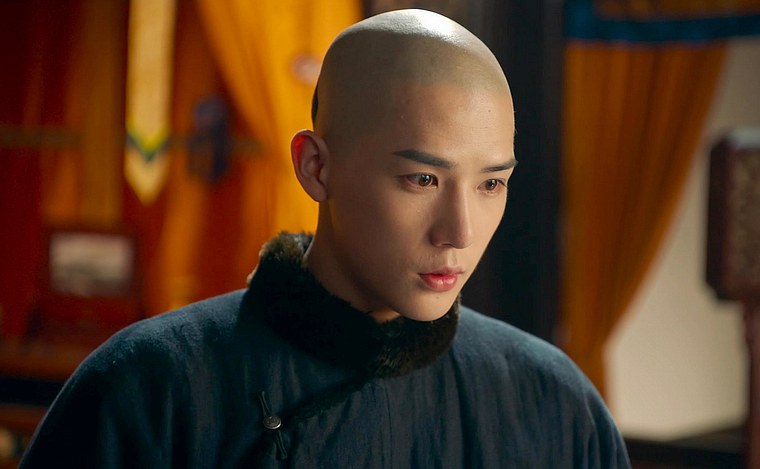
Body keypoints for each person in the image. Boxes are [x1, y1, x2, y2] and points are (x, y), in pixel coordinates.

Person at [21, 9, 630, 468]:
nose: (460, 232)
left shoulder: (554, 403)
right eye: (422, 179)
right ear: (316, 167)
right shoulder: (148, 388)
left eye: (491, 183)